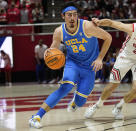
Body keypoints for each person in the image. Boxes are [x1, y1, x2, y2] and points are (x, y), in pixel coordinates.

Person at [29, 1, 112, 129]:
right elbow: (53, 50)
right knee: (65, 87)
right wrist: (49, 56)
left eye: (74, 14)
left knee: (80, 101)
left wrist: (100, 58)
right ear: (63, 16)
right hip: (72, 63)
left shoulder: (88, 27)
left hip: (90, 67)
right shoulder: (59, 31)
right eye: (69, 15)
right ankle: (36, 116)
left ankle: (75, 101)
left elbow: (108, 37)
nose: (72, 18)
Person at [84, 13, 136, 119]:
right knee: (112, 86)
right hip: (125, 58)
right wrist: (100, 22)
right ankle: (97, 105)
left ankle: (118, 107)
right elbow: (112, 23)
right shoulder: (133, 29)